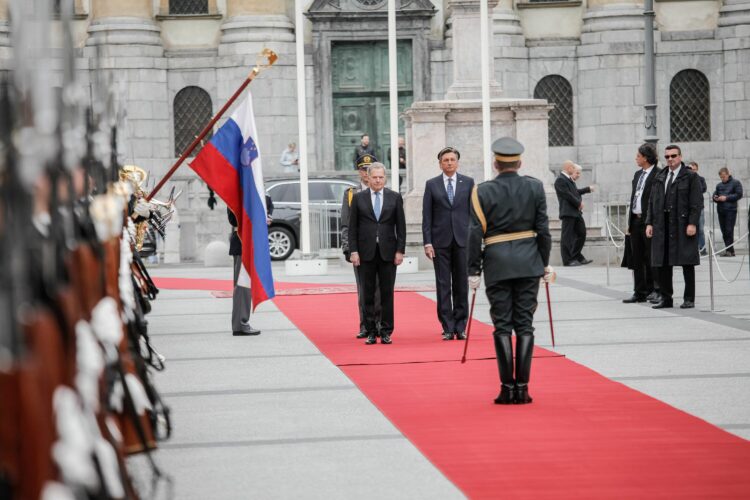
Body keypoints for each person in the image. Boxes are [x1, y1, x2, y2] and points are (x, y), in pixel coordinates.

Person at [466, 137, 552, 405]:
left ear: (496, 163)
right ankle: (523, 389)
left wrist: (473, 269)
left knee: (502, 325)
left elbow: (474, 233)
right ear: (519, 162)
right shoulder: (535, 188)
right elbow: (545, 232)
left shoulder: (481, 191)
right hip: (529, 263)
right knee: (525, 324)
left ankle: (507, 389)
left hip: (497, 264)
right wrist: (544, 263)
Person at [349, 163, 406, 345]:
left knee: (387, 293)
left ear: (385, 178)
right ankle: (371, 330)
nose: (378, 180)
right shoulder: (358, 198)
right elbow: (352, 228)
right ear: (368, 177)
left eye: (381, 177)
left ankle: (387, 330)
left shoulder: (395, 197)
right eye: (375, 177)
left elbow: (401, 227)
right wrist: (354, 251)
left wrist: (400, 250)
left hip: (388, 253)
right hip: (365, 253)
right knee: (367, 294)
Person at [422, 146, 475, 341]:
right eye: (446, 160)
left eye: (452, 159)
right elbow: (427, 216)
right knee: (443, 284)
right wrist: (427, 242)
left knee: (461, 284)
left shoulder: (468, 183)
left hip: (462, 241)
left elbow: (473, 214)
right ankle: (447, 326)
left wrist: (475, 239)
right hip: (440, 242)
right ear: (440, 163)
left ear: (457, 162)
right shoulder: (432, 184)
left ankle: (460, 326)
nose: (449, 163)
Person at [646, 144, 702, 309]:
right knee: (663, 263)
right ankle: (666, 298)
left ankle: (689, 298)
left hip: (682, 225)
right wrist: (649, 222)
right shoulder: (660, 176)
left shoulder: (690, 176)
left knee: (687, 263)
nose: (670, 159)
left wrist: (692, 223)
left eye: (674, 156)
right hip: (662, 226)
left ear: (680, 156)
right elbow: (652, 201)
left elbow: (696, 203)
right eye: (667, 156)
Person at [341, 153, 381, 339]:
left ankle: (380, 324)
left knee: (380, 290)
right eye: (363, 170)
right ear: (359, 172)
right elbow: (346, 224)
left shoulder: (383, 191)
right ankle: (365, 325)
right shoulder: (351, 194)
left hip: (381, 248)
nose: (366, 173)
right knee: (364, 289)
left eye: (369, 169)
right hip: (361, 248)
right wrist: (348, 249)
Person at [227, 197, 272, 336]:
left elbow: (268, 206)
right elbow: (234, 219)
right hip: (242, 242)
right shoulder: (236, 193)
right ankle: (240, 324)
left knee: (245, 286)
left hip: (251, 241)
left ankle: (241, 322)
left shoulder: (257, 194)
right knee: (242, 286)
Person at [623, 143, 661, 304]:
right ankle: (639, 291)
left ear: (645, 157)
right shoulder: (638, 174)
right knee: (636, 257)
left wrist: (651, 221)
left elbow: (656, 200)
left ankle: (654, 289)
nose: (636, 158)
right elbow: (634, 198)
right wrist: (629, 223)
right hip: (636, 220)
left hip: (648, 221)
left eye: (638, 156)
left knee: (650, 257)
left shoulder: (658, 175)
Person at [554, 160, 593, 266]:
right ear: (568, 168)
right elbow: (567, 195)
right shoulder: (560, 180)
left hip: (575, 212)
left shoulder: (569, 180)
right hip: (568, 212)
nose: (574, 169)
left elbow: (574, 192)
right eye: (572, 167)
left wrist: (586, 190)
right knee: (566, 237)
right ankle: (567, 260)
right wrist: (578, 203)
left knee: (582, 233)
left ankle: (576, 256)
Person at [712, 167, 744, 257]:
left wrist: (726, 198)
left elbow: (739, 194)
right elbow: (715, 194)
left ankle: (729, 251)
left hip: (731, 210)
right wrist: (715, 198)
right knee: (724, 231)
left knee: (729, 230)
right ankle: (730, 251)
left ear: (728, 174)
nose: (723, 179)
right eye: (721, 177)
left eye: (724, 177)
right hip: (721, 211)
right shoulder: (719, 185)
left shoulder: (736, 183)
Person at [687, 162, 707, 255]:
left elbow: (703, 189)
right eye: (691, 169)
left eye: (694, 169)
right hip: (689, 207)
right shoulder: (686, 179)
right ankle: (693, 248)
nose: (693, 171)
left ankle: (702, 248)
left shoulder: (701, 179)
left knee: (700, 228)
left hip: (700, 207)